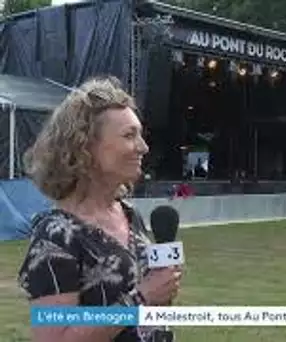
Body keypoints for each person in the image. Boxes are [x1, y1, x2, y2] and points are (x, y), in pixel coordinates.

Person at [17, 76, 182, 342]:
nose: (143, 147)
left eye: (140, 135)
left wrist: (161, 290)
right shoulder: (57, 236)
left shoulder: (130, 216)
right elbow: (56, 338)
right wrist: (142, 297)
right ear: (86, 147)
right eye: (129, 135)